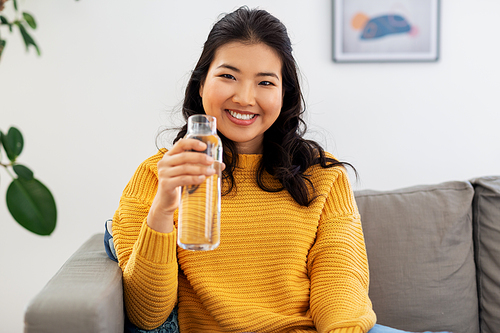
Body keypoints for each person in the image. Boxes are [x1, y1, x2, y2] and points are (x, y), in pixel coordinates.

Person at [110, 6, 450, 333]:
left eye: (265, 82)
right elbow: (147, 315)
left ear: (284, 94)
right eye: (228, 76)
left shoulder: (321, 175)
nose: (245, 97)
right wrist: (164, 207)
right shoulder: (157, 176)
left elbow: (339, 278)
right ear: (201, 85)